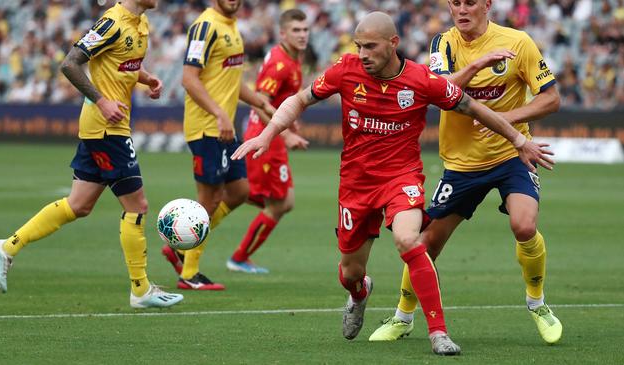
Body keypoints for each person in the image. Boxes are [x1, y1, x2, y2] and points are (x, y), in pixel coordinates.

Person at [231, 11, 553, 356]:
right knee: (350, 271)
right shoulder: (345, 69)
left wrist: (519, 141)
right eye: (359, 46)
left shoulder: (420, 79)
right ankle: (359, 293)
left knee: (408, 239)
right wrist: (268, 134)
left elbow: (472, 107)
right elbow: (299, 99)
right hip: (355, 184)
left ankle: (438, 332)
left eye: (370, 46)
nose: (363, 53)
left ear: (393, 43)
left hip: (402, 177)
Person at [369, 0, 563, 345]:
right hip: (461, 165)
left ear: (487, 5)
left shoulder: (519, 42)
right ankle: (403, 316)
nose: (461, 9)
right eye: (455, 3)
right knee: (425, 243)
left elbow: (551, 99)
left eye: (470, 2)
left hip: (510, 155)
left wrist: (508, 120)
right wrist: (478, 64)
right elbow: (437, 90)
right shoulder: (443, 44)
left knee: (524, 224)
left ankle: (537, 303)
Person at [0, 0, 183, 309]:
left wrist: (148, 78)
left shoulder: (141, 23)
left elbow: (123, 62)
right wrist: (102, 100)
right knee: (137, 205)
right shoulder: (112, 22)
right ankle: (141, 289)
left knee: (78, 205)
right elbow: (69, 64)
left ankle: (8, 246)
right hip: (106, 128)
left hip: (105, 129)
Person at [160, 0, 276, 290]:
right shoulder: (205, 26)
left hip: (224, 128)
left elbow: (229, 81)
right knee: (209, 200)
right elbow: (189, 79)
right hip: (207, 127)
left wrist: (259, 101)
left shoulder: (233, 26)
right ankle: (190, 273)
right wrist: (220, 113)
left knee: (239, 192)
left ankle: (181, 247)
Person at [226, 9, 310, 274]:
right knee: (277, 202)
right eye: (296, 30)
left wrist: (290, 124)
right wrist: (285, 134)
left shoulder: (292, 57)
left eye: (305, 29)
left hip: (270, 136)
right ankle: (236, 255)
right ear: (282, 33)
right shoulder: (280, 63)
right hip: (264, 137)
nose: (302, 35)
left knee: (284, 202)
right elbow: (260, 101)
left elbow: (278, 101)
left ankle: (238, 252)